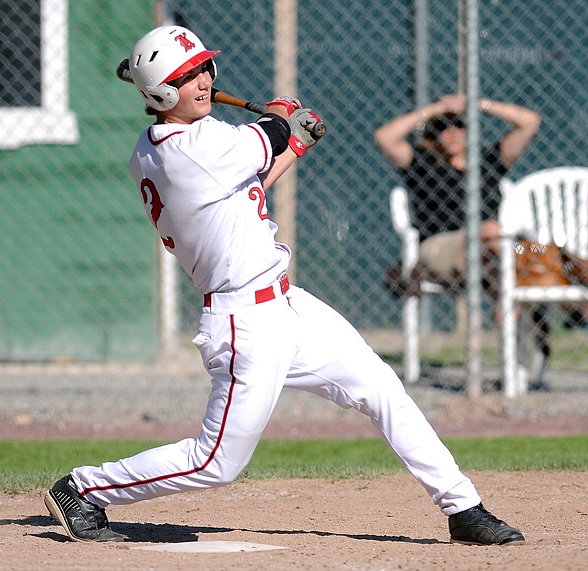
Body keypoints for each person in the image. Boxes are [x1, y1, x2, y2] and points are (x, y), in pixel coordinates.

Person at [44, 25, 525, 546]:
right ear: (160, 93)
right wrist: (282, 117)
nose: (204, 80)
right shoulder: (196, 145)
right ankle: (84, 489)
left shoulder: (161, 145)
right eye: (187, 76)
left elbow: (244, 185)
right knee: (216, 463)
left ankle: (464, 508)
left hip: (287, 304)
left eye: (205, 67)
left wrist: (293, 141)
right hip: (243, 321)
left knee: (381, 387)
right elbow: (262, 138)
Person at [375, 94, 541, 299]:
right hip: (440, 245)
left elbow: (530, 122)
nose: (452, 133)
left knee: (506, 257)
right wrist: (435, 110)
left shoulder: (487, 161)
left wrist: (478, 104)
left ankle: (512, 315)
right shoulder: (422, 164)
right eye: (443, 127)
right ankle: (537, 270)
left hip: (489, 248)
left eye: (460, 125)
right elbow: (384, 137)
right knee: (494, 235)